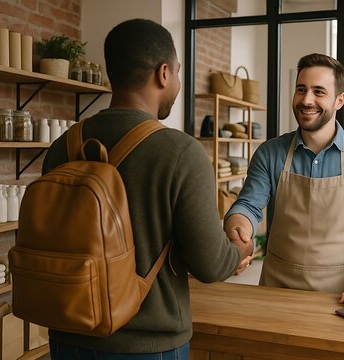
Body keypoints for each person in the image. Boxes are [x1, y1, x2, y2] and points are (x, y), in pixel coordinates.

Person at [42, 19, 253, 359]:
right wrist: (238, 253)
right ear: (164, 73)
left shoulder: (63, 145)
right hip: (147, 346)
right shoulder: (180, 151)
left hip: (68, 335)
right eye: (179, 73)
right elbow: (210, 264)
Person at [224, 53, 344, 311]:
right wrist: (238, 232)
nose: (307, 100)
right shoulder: (269, 153)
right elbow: (248, 206)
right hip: (275, 296)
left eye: (319, 92)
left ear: (339, 100)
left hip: (342, 299)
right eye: (301, 89)